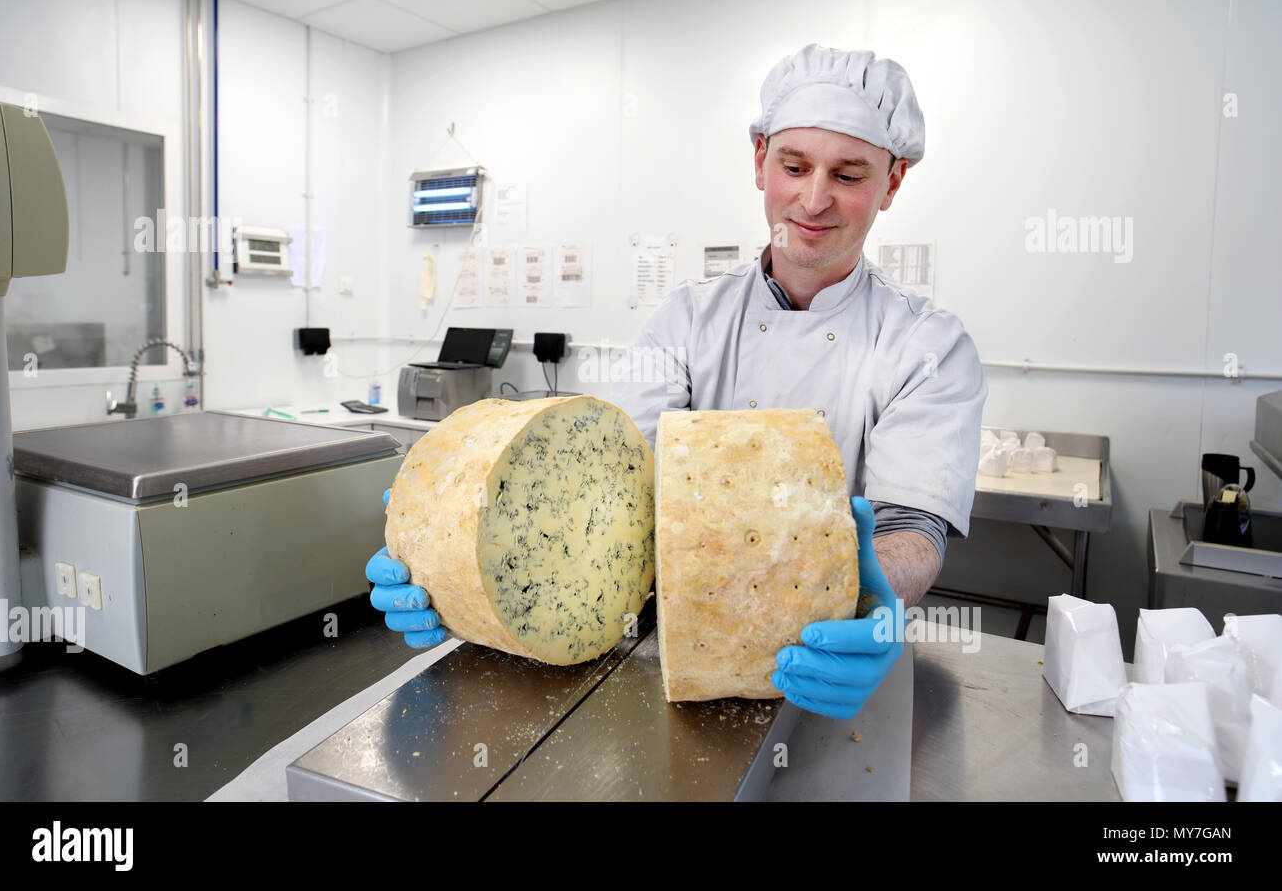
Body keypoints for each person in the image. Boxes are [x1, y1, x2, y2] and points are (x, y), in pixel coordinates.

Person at [366, 44, 987, 720]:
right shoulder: (687, 318)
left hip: (832, 663)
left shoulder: (928, 345)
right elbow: (613, 486)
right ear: (760, 160)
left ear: (892, 183)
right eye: (794, 166)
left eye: (849, 174)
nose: (814, 199)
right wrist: (451, 541)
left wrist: (870, 597)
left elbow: (912, 531)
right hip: (679, 656)